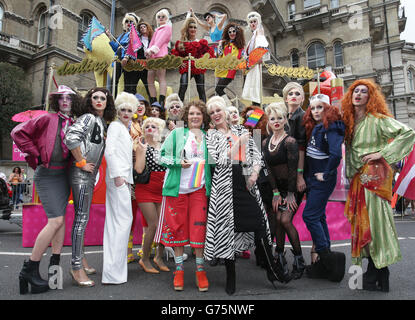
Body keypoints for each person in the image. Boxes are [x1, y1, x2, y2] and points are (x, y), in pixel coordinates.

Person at [204, 96, 290, 296]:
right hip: (225, 187)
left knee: (260, 224)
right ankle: (231, 276)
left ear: (225, 111)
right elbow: (219, 162)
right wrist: (238, 144)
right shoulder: (210, 135)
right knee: (228, 233)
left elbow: (257, 156)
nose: (216, 114)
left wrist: (254, 174)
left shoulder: (242, 130)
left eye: (219, 110)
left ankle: (272, 270)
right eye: (212, 112)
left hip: (246, 182)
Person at [342, 79, 415, 292]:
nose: (358, 94)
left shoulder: (378, 119)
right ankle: (377, 272)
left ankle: (378, 270)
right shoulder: (350, 121)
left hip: (375, 178)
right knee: (362, 224)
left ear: (370, 97)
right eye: (355, 91)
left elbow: (408, 133)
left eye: (364, 92)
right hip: (357, 179)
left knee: (376, 224)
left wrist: (382, 153)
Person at [12, 85, 81, 294]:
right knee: (56, 221)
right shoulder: (47, 119)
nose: (66, 102)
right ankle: (29, 269)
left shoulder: (75, 123)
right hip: (47, 174)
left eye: (69, 98)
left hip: (64, 175)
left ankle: (54, 270)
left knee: (60, 222)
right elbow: (17, 132)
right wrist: (37, 154)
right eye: (62, 98)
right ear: (56, 101)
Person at [157, 100, 212, 292]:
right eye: (191, 114)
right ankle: (179, 270)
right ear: (186, 117)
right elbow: (161, 157)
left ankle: (200, 271)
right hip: (177, 190)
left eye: (198, 114)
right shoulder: (177, 134)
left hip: (199, 190)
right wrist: (178, 162)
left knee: (199, 230)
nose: (195, 117)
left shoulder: (208, 137)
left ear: (203, 117)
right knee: (177, 229)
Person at [65, 87, 116, 287]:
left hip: (88, 174)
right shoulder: (88, 118)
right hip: (82, 174)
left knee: (82, 218)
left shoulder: (100, 122)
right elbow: (71, 138)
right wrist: (81, 162)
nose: (98, 100)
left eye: (102, 98)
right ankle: (76, 267)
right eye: (94, 97)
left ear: (107, 102)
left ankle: (82, 261)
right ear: (89, 100)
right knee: (81, 219)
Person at [301, 94, 346, 282]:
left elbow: (336, 154)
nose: (316, 111)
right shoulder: (317, 127)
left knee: (310, 216)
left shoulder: (332, 126)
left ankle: (327, 258)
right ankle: (325, 259)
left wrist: (326, 173)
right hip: (313, 179)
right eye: (313, 108)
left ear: (328, 108)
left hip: (321, 180)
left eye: (320, 107)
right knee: (318, 216)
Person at [262, 102, 305, 280]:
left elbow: (293, 170)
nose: (277, 121)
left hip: (292, 188)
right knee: (277, 220)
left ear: (285, 119)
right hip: (278, 189)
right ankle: (279, 257)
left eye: (280, 118)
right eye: (273, 119)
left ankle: (299, 259)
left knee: (285, 219)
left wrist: (290, 193)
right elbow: (269, 169)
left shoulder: (290, 141)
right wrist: (275, 192)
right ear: (269, 122)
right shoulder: (266, 142)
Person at [102, 92, 137, 284]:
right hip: (119, 179)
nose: (126, 113)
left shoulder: (124, 128)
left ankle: (114, 273)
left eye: (129, 110)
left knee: (120, 224)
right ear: (117, 110)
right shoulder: (115, 126)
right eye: (122, 109)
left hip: (123, 179)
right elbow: (110, 151)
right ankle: (113, 274)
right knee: (121, 223)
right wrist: (117, 176)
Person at [134, 117, 169, 274]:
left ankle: (159, 257)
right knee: (153, 224)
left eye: (153, 126)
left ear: (159, 130)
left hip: (162, 188)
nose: (149, 128)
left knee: (163, 225)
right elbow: (139, 170)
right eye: (147, 126)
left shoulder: (164, 146)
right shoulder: (141, 146)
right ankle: (145, 258)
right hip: (146, 188)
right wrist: (140, 152)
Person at [171, 17, 214, 103]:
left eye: (195, 27)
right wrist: (179, 62)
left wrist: (203, 60)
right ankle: (179, 107)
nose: (193, 29)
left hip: (198, 67)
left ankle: (204, 110)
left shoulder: (200, 42)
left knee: (201, 89)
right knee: (183, 86)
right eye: (191, 27)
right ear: (187, 28)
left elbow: (210, 53)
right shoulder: (181, 43)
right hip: (187, 66)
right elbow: (175, 54)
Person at [107, 12, 141, 97]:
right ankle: (111, 99)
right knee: (113, 80)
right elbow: (116, 48)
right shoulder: (121, 35)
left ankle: (129, 101)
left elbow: (132, 45)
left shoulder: (135, 33)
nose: (129, 23)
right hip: (118, 56)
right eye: (127, 21)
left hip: (128, 58)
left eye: (131, 22)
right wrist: (110, 38)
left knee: (128, 82)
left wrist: (126, 57)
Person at [146, 9, 172, 108]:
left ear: (167, 18)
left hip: (161, 54)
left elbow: (161, 41)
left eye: (163, 16)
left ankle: (161, 101)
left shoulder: (167, 28)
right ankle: (153, 101)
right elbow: (152, 42)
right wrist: (148, 51)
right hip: (152, 56)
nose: (161, 18)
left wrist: (153, 49)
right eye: (159, 17)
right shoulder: (157, 30)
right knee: (150, 79)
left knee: (161, 77)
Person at [241, 12, 269, 106]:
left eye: (254, 21)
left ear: (258, 22)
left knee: (255, 95)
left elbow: (261, 47)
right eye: (251, 22)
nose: (253, 24)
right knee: (253, 95)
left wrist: (256, 59)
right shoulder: (253, 37)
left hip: (255, 66)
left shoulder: (259, 31)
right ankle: (253, 120)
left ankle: (254, 120)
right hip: (251, 67)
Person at [215, 23, 245, 97]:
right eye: (230, 32)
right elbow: (219, 54)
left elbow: (242, 58)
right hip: (221, 69)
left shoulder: (240, 47)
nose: (232, 33)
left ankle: (228, 103)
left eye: (233, 31)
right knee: (218, 91)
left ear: (237, 32)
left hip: (230, 71)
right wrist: (220, 45)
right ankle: (224, 105)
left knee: (218, 89)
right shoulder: (224, 44)